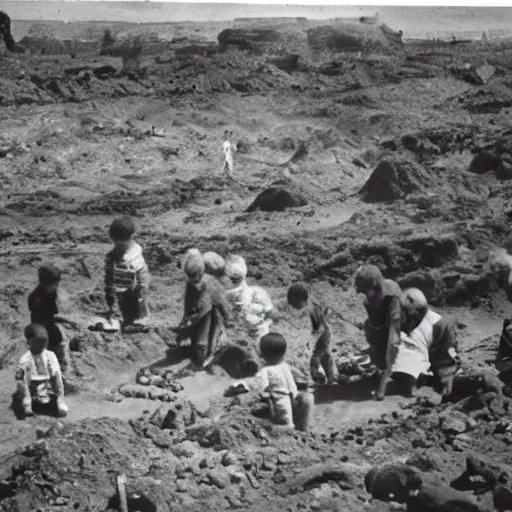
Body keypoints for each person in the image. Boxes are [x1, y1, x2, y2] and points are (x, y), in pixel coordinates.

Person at [394, 288, 459, 398]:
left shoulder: (440, 324)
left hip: (433, 360)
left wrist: (446, 375)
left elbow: (448, 355)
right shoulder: (400, 320)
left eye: (414, 315)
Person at [354, 265, 401, 400]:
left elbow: (394, 339)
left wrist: (383, 383)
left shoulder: (392, 297)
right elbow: (376, 327)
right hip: (385, 336)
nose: (365, 296)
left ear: (374, 286)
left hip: (405, 337)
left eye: (365, 291)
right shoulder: (369, 301)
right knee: (369, 328)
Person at [176, 252, 231, 367]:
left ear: (201, 274)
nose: (193, 282)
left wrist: (226, 316)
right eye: (190, 279)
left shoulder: (210, 283)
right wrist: (185, 317)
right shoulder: (190, 283)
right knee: (190, 335)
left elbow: (220, 301)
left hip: (209, 313)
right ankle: (192, 353)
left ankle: (203, 362)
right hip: (196, 313)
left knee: (203, 342)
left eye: (196, 280)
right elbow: (188, 300)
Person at [252, 332, 313, 430]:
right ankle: (302, 428)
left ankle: (282, 427)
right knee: (306, 397)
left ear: (262, 355)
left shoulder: (266, 371)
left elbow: (257, 388)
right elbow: (302, 380)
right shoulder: (285, 367)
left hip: (280, 407)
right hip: (292, 400)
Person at [104, 217, 151, 332]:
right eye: (117, 244)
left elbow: (143, 278)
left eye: (122, 245)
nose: (119, 247)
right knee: (115, 294)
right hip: (122, 288)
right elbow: (110, 283)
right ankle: (117, 316)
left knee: (140, 297)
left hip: (136, 283)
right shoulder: (113, 256)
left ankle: (141, 318)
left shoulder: (134, 255)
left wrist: (141, 286)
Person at [28, 263, 75, 376]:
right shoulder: (36, 299)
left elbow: (52, 314)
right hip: (40, 329)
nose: (57, 287)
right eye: (55, 284)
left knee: (59, 344)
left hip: (49, 326)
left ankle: (61, 373)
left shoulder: (50, 292)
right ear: (45, 284)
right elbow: (44, 319)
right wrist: (64, 319)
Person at [287, 282, 336, 385]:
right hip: (325, 334)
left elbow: (320, 328)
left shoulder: (310, 309)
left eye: (295, 304)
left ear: (299, 300)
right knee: (325, 356)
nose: (294, 307)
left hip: (322, 335)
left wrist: (311, 340)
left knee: (315, 360)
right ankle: (331, 379)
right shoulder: (313, 305)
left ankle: (320, 381)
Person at [15, 324, 68, 418]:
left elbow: (54, 369)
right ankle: (27, 402)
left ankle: (60, 401)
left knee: (58, 374)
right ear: (29, 341)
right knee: (22, 380)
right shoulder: (25, 358)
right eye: (38, 343)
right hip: (33, 383)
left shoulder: (49, 355)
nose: (41, 347)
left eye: (43, 344)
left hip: (47, 381)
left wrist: (53, 374)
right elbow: (20, 376)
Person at [225, 255, 274, 343]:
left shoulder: (221, 295)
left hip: (231, 340)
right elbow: (269, 311)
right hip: (256, 340)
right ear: (245, 272)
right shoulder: (258, 292)